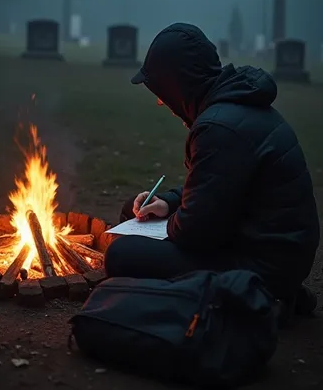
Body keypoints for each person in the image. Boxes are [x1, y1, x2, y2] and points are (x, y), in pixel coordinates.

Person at [104, 23, 320, 319]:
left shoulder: (218, 127)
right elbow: (222, 186)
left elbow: (196, 233)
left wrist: (165, 227)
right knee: (134, 212)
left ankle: (262, 298)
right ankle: (281, 293)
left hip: (262, 263)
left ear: (178, 85)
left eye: (161, 91)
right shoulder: (236, 106)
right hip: (273, 250)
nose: (159, 101)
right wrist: (167, 202)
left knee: (121, 254)